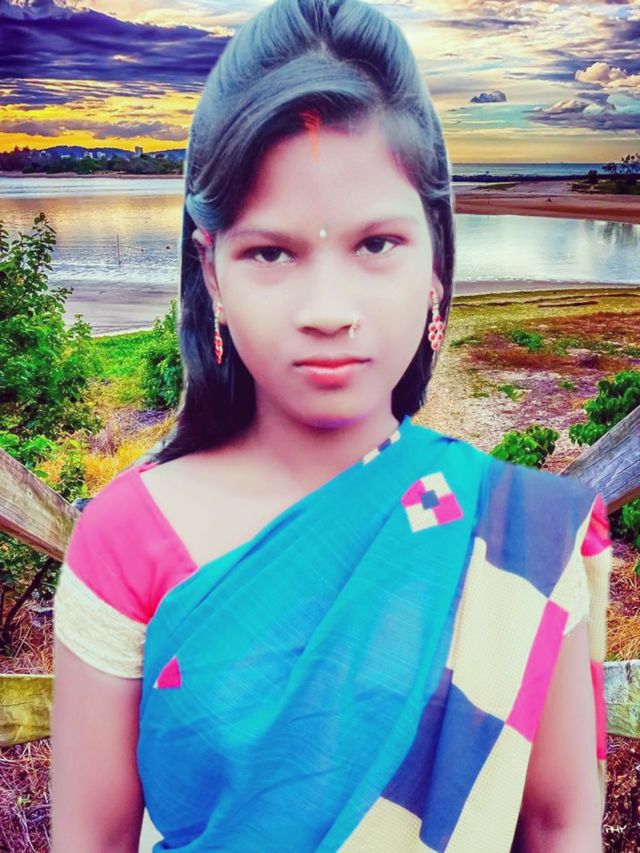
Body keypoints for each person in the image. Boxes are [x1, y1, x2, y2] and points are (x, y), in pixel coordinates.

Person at [50, 1, 612, 851]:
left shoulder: (511, 533)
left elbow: (558, 821)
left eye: (377, 244)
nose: (328, 309)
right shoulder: (128, 538)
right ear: (212, 270)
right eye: (271, 253)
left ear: (436, 257)